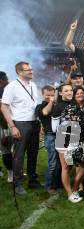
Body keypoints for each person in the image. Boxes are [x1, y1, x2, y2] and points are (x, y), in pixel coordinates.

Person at [1, 61, 43, 195]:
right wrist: (12, 126)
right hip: (20, 123)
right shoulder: (12, 86)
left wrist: (39, 122)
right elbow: (4, 107)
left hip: (34, 123)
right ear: (19, 72)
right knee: (19, 155)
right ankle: (17, 183)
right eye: (28, 70)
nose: (31, 71)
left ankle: (32, 180)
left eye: (31, 69)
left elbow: (34, 105)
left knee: (33, 153)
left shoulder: (33, 85)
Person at [35, 85, 60, 194]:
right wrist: (51, 102)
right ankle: (49, 185)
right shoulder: (40, 106)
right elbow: (45, 112)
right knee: (53, 163)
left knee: (60, 163)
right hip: (50, 136)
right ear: (43, 94)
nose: (50, 97)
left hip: (60, 135)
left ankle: (56, 183)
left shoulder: (57, 105)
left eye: (52, 95)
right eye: (47, 95)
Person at [0, 71, 13, 183]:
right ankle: (11, 172)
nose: (8, 80)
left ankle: (13, 171)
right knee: (7, 150)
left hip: (9, 123)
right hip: (4, 125)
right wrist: (5, 132)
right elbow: (2, 113)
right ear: (1, 80)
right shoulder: (2, 91)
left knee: (9, 150)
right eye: (6, 78)